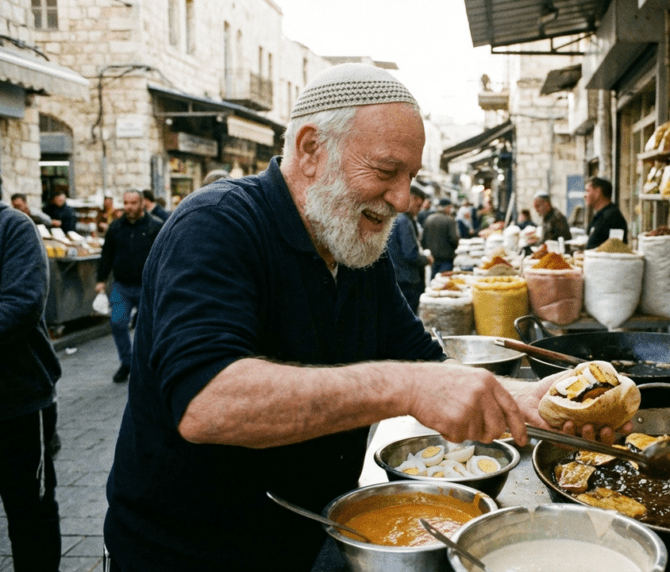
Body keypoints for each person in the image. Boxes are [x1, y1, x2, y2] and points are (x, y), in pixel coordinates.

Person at [102, 64, 619, 572]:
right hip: (184, 555)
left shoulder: (353, 247)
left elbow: (424, 362)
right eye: (386, 171)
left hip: (310, 538)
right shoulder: (216, 225)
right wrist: (404, 386)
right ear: (310, 150)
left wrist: (534, 404)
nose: (402, 199)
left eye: (410, 177)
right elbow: (207, 402)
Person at [0, 201, 63, 571]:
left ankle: (125, 361)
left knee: (29, 511)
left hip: (17, 401)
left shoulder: (13, 227)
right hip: (116, 283)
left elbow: (23, 303)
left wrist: (105, 281)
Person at [95, 189, 163, 383]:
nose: (128, 207)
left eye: (133, 203)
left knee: (147, 328)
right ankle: (127, 362)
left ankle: (147, 365)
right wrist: (101, 280)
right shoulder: (115, 227)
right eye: (125, 203)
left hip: (146, 287)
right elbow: (106, 254)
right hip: (121, 285)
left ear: (142, 203)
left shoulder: (155, 226)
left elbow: (162, 257)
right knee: (117, 323)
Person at [387, 184, 432, 312]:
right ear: (412, 199)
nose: (419, 210)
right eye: (418, 205)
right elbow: (410, 254)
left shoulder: (396, 217)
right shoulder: (404, 221)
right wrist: (427, 259)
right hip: (407, 279)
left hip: (398, 276)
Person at [584, 176, 628, 249]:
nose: (585, 195)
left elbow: (616, 248)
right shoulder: (599, 216)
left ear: (598, 191)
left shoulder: (613, 217)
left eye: (588, 191)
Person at [421, 196, 460, 276]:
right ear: (447, 208)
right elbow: (454, 239)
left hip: (432, 258)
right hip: (446, 258)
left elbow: (423, 239)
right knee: (444, 282)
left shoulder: (429, 219)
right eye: (450, 207)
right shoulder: (449, 220)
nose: (450, 209)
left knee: (434, 282)